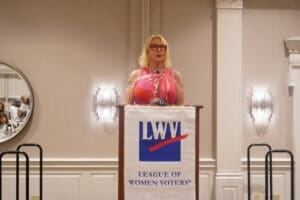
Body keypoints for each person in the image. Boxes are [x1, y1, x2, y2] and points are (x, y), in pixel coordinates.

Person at [125, 34, 184, 105]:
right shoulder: (136, 75)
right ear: (147, 51)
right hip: (141, 115)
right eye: (154, 46)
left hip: (168, 116)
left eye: (162, 47)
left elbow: (181, 107)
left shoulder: (175, 76)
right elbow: (126, 106)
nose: (159, 50)